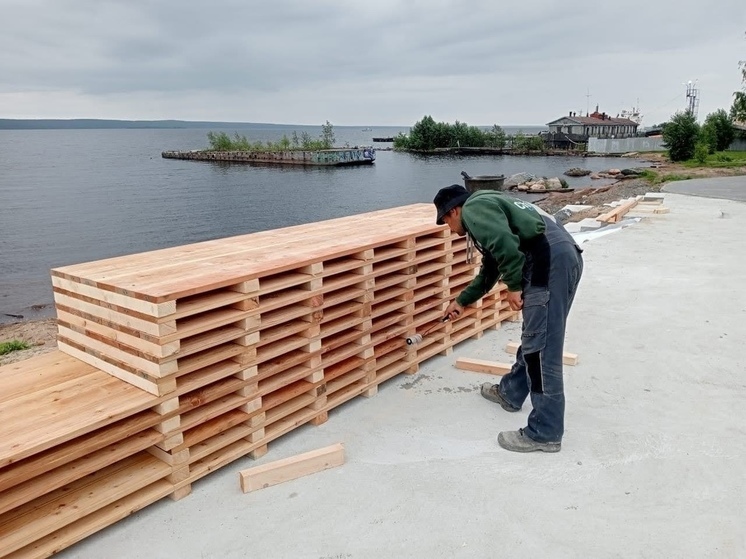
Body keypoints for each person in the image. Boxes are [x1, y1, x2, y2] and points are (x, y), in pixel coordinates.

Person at [433, 184, 583, 453]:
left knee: (542, 350)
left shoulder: (474, 209)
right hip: (559, 256)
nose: (448, 228)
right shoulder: (490, 205)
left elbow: (506, 248)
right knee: (535, 336)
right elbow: (491, 268)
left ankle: (544, 432)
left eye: (445, 220)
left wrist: (513, 286)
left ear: (454, 211)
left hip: (548, 264)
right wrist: (461, 301)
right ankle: (511, 393)